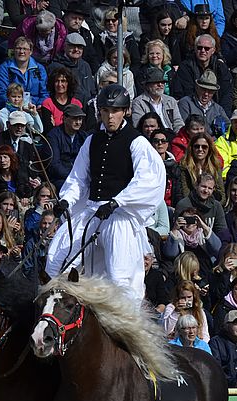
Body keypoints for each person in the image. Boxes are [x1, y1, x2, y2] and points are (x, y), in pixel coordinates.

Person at [45, 84, 165, 302]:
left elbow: (148, 179)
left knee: (119, 277)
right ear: (99, 111)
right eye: (106, 111)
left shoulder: (136, 141)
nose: (110, 116)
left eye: (115, 111)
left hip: (118, 216)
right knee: (58, 260)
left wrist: (118, 201)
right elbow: (78, 177)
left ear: (126, 111)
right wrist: (66, 200)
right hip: (92, 210)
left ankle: (125, 329)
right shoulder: (92, 140)